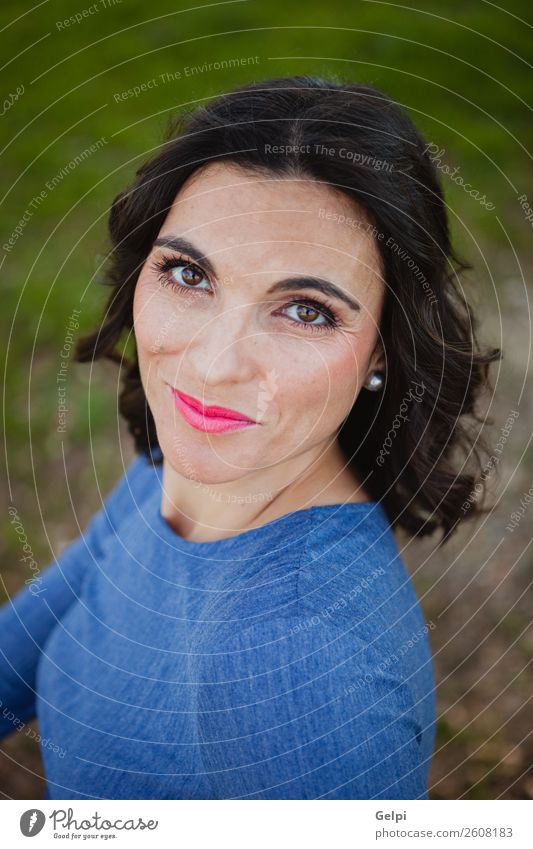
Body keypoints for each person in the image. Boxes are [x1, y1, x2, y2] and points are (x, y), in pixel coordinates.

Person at [0, 74, 500, 800]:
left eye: (305, 311)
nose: (210, 366)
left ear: (384, 347)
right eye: (187, 272)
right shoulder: (174, 468)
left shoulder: (310, 671)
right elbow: (34, 637)